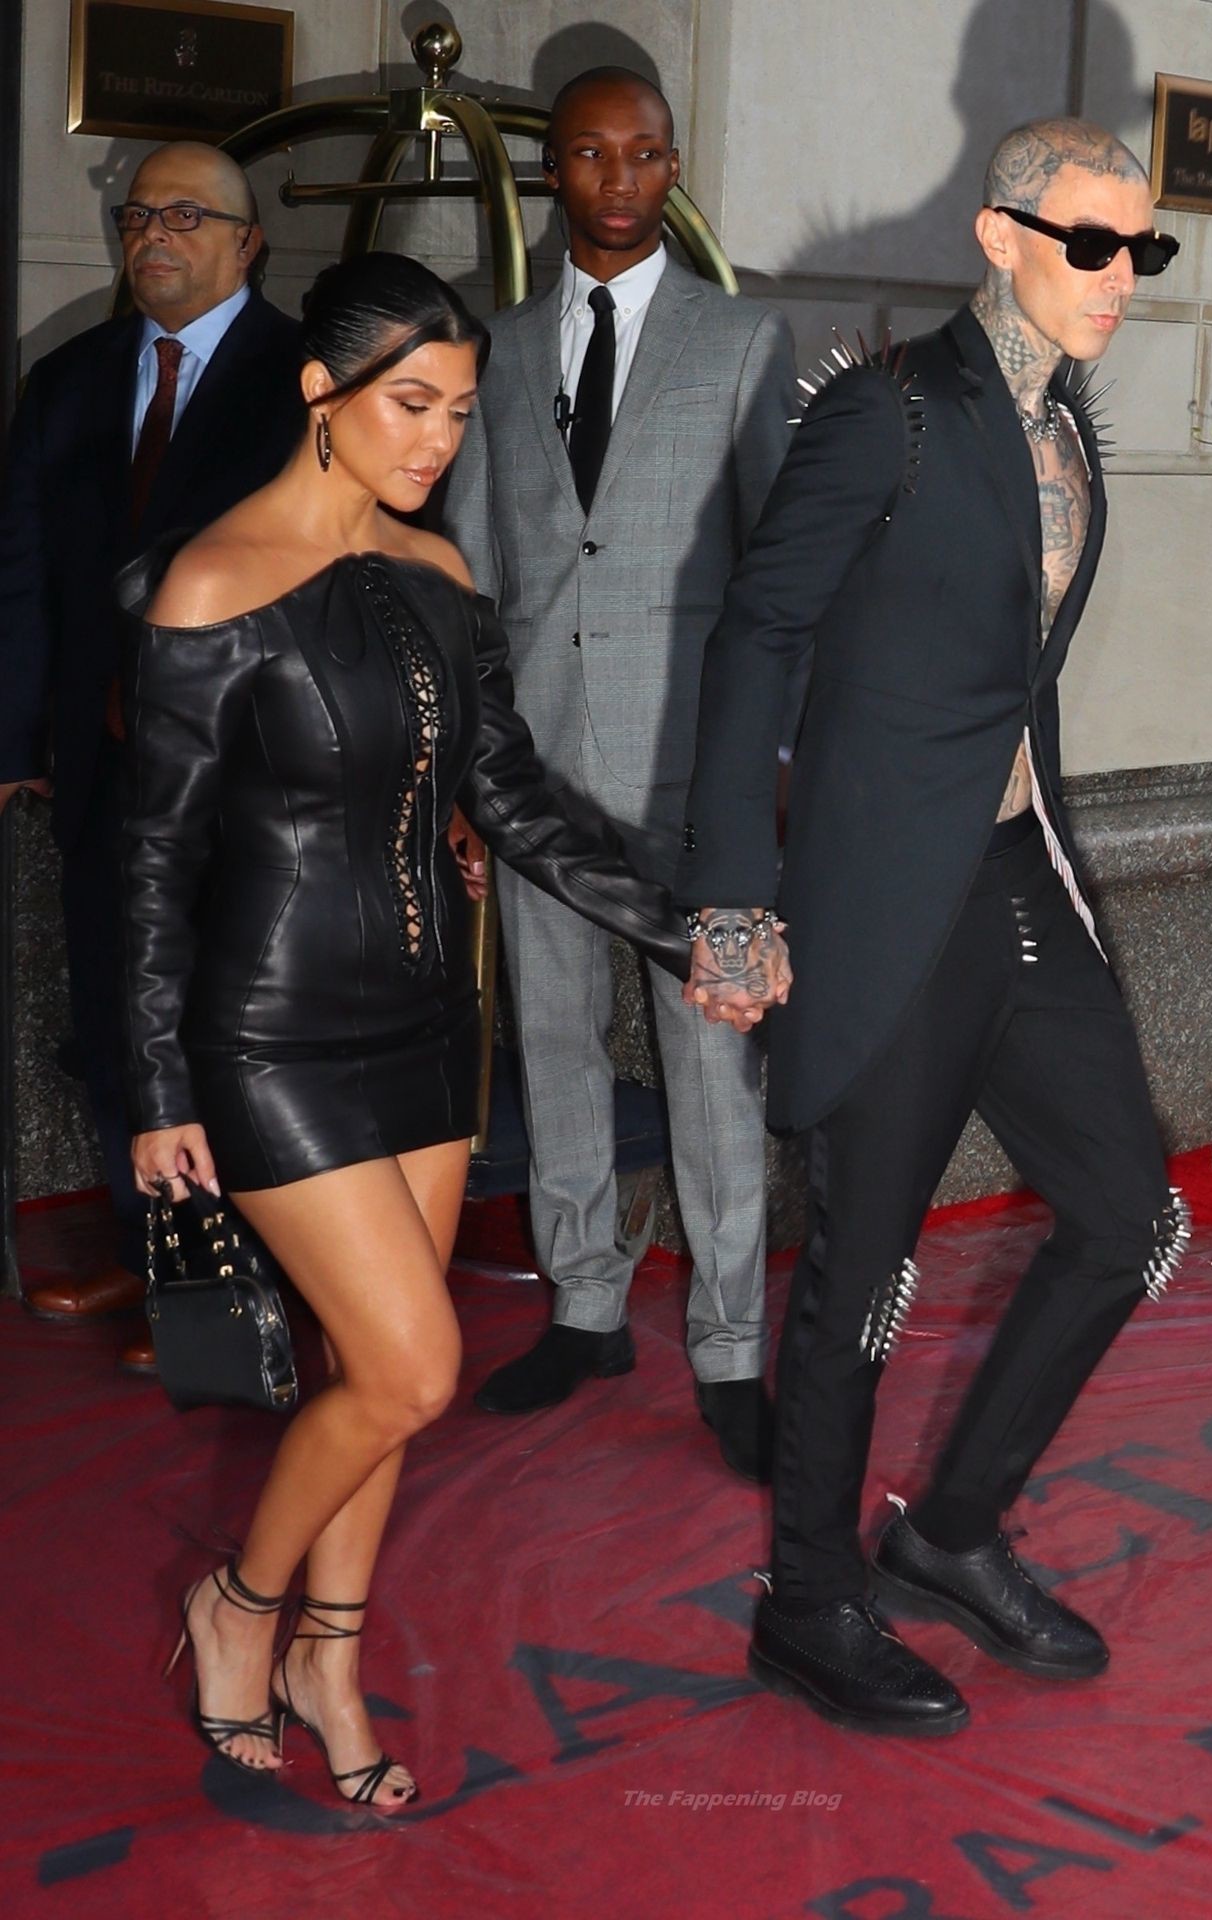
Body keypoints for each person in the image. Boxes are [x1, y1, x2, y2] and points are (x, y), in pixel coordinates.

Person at [121, 251, 690, 1808]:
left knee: (375, 1376)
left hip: (434, 1027)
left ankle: (332, 1654)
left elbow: (511, 797)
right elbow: (155, 865)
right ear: (324, 392)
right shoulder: (211, 584)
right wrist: (160, 1084)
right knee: (412, 1365)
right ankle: (236, 1608)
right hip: (270, 1038)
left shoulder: (439, 573)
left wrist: (679, 929)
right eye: (411, 404)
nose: (440, 438)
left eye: (458, 410)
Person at [676, 119, 1188, 1733]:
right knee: (868, 1277)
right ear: (999, 234)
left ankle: (952, 1533)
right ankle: (807, 1602)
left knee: (1133, 1218)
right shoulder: (888, 412)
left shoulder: (1070, 425)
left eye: (1142, 247)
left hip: (1020, 874)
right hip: (884, 895)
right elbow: (758, 633)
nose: (1120, 276)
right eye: (1090, 243)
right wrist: (733, 899)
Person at [445, 67, 796, 1480]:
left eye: (643, 154)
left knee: (711, 1060)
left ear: (671, 166)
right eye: (590, 154)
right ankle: (584, 1305)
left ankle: (731, 1349)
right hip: (533, 770)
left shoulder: (742, 338)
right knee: (554, 1041)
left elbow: (775, 577)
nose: (617, 179)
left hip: (689, 771)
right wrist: (469, 777)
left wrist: (770, 773)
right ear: (555, 170)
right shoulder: (495, 347)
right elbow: (475, 576)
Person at [0, 143, 303, 1370]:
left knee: (228, 1026)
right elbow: (22, 573)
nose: (153, 237)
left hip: (249, 767)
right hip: (102, 764)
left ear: (248, 243)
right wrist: (15, 736)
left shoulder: (306, 380)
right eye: (137, 218)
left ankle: (245, 1275)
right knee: (119, 1014)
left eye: (185, 216)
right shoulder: (69, 380)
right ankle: (153, 1250)